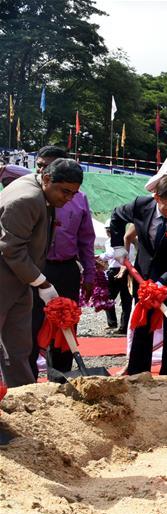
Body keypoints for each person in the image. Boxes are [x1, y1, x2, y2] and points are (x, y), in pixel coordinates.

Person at [0, 158, 83, 388]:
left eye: (73, 194)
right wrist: (42, 283)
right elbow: (11, 249)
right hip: (6, 277)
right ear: (47, 179)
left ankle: (24, 396)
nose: (68, 199)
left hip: (19, 279)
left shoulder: (42, 193)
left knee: (18, 345)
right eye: (65, 192)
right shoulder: (26, 199)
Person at [109, 175, 167, 376]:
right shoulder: (140, 205)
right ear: (156, 197)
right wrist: (117, 245)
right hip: (144, 279)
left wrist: (162, 283)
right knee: (142, 327)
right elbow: (116, 216)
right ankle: (138, 374)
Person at [27, 147, 96, 377]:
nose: (42, 170)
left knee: (65, 327)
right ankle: (28, 380)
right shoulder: (30, 197)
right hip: (36, 269)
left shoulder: (79, 199)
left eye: (48, 165)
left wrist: (89, 274)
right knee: (31, 326)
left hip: (66, 270)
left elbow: (86, 239)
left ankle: (61, 378)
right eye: (39, 165)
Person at [99, 221, 135, 334]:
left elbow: (111, 253)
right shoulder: (128, 240)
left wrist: (99, 256)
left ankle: (116, 324)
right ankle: (121, 326)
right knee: (125, 300)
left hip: (117, 270)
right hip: (127, 270)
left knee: (111, 298)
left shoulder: (113, 241)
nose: (108, 232)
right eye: (107, 229)